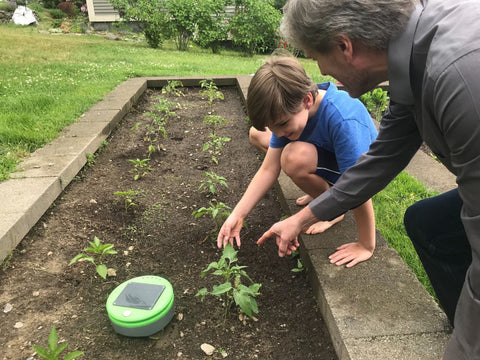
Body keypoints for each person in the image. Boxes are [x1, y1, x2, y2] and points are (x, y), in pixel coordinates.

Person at [257, 0, 480, 359]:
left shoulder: (457, 78)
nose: (319, 70)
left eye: (317, 57)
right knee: (428, 224)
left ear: (345, 46)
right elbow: (380, 159)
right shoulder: (416, 60)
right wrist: (301, 219)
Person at [217, 56, 378, 268]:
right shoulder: (290, 110)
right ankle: (324, 193)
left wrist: (366, 245)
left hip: (363, 171)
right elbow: (268, 169)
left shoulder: (341, 119)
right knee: (261, 136)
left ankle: (334, 211)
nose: (279, 133)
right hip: (331, 157)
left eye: (282, 125)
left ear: (307, 100)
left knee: (293, 158)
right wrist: (238, 214)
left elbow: (359, 186)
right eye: (274, 128)